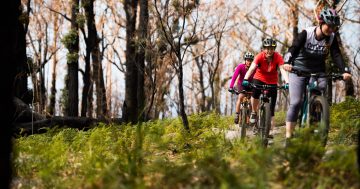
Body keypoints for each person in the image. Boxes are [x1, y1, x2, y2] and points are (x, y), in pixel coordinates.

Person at [282, 7, 352, 142]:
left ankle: (315, 123)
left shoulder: (331, 38)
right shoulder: (306, 33)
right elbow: (294, 48)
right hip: (298, 70)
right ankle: (289, 137)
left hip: (318, 71)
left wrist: (345, 70)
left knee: (319, 91)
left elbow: (336, 55)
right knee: (296, 102)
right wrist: (287, 62)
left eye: (334, 27)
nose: (331, 29)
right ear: (321, 22)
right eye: (329, 26)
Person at [242, 37, 289, 137]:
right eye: (267, 48)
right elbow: (252, 68)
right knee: (255, 93)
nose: (269, 51)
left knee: (271, 107)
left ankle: (267, 127)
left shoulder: (278, 57)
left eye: (272, 48)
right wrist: (245, 79)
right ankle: (254, 112)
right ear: (264, 49)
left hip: (272, 81)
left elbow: (282, 69)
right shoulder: (259, 56)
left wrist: (287, 82)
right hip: (259, 78)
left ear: (274, 49)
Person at [228, 51, 255, 124]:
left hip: (250, 85)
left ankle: (250, 116)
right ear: (245, 60)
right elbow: (234, 77)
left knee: (252, 100)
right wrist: (231, 87)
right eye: (248, 60)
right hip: (241, 85)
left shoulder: (254, 68)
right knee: (241, 97)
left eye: (250, 60)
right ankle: (237, 114)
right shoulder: (240, 67)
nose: (249, 62)